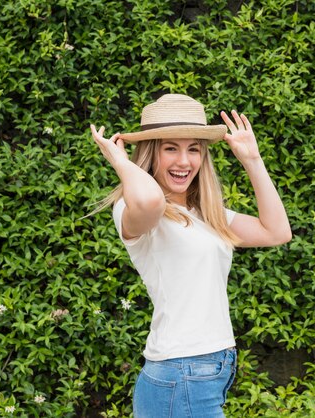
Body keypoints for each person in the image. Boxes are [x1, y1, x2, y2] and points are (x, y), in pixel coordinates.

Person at [90, 94, 291, 417]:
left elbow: (277, 232)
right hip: (180, 370)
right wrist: (121, 162)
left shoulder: (205, 213)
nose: (184, 161)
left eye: (193, 149)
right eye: (171, 148)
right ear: (151, 154)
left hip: (205, 370)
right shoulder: (134, 209)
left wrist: (253, 160)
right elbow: (151, 200)